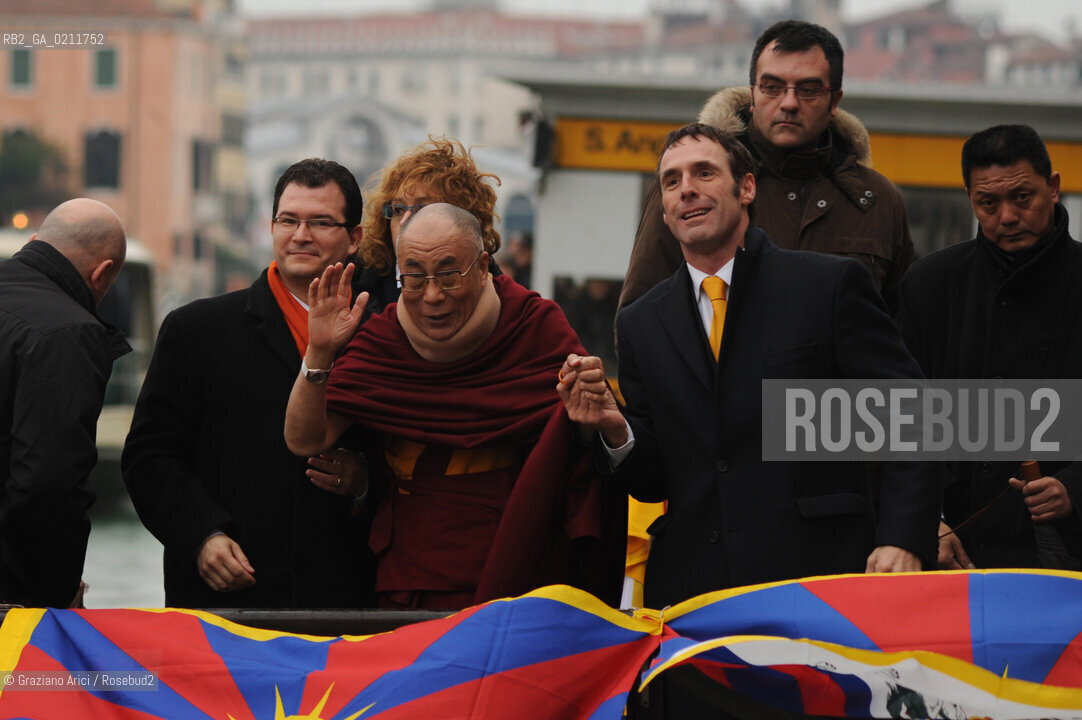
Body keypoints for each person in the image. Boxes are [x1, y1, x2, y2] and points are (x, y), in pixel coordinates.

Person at [285, 203, 622, 611]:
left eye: (448, 275)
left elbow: (579, 442)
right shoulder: (383, 339)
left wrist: (588, 416)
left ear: (482, 267)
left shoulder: (533, 326)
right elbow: (305, 438)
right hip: (412, 571)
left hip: (520, 561)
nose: (431, 296)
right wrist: (320, 351)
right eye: (413, 277)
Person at [123, 159, 380, 608]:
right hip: (224, 597)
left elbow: (403, 460)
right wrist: (200, 534)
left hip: (343, 603)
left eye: (320, 222)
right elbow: (149, 457)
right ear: (272, 225)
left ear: (354, 237)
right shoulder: (196, 329)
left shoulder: (381, 335)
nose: (301, 235)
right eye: (289, 220)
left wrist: (362, 481)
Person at [619, 19, 913, 314]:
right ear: (753, 95)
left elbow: (904, 331)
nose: (788, 103)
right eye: (772, 87)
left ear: (834, 100)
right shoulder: (691, 186)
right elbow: (639, 318)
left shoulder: (876, 201)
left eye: (808, 89)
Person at [896, 124, 1082, 570]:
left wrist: (1076, 488)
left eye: (1023, 198)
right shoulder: (930, 284)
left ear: (1053, 188)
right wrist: (925, 521)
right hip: (958, 545)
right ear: (970, 200)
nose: (1007, 217)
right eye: (988, 203)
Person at [0, 198, 129, 608]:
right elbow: (48, 484)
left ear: (36, 241)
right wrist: (57, 586)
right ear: (102, 273)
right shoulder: (71, 332)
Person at [360, 136, 503, 301]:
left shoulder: (512, 308)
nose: (404, 221)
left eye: (422, 210)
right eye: (398, 210)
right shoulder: (355, 298)